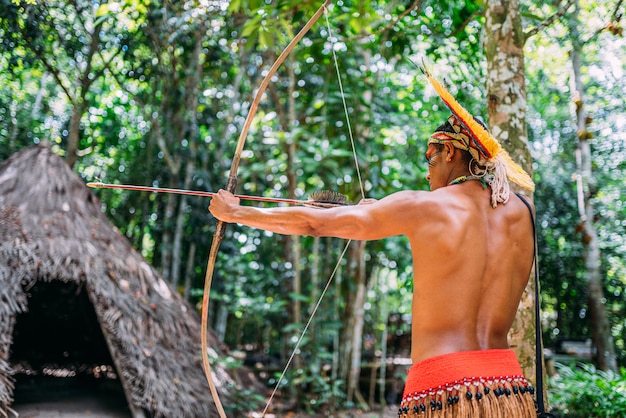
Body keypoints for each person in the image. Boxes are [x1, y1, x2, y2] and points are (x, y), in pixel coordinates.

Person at [209, 83, 538, 417]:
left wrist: (235, 212)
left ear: (450, 152)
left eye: (430, 158)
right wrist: (381, 210)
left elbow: (317, 223)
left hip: (443, 391)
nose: (427, 172)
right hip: (509, 389)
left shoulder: (421, 205)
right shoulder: (523, 212)